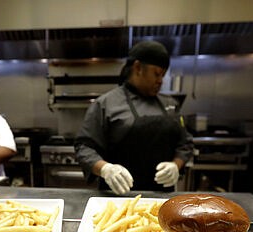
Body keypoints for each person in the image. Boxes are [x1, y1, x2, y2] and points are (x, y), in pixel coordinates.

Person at [74, 40, 193, 195]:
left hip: (162, 197)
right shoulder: (106, 104)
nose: (160, 81)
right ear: (137, 68)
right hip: (117, 197)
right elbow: (84, 147)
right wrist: (106, 169)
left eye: (163, 75)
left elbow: (185, 144)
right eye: (157, 73)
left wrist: (175, 165)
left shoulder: (170, 104)